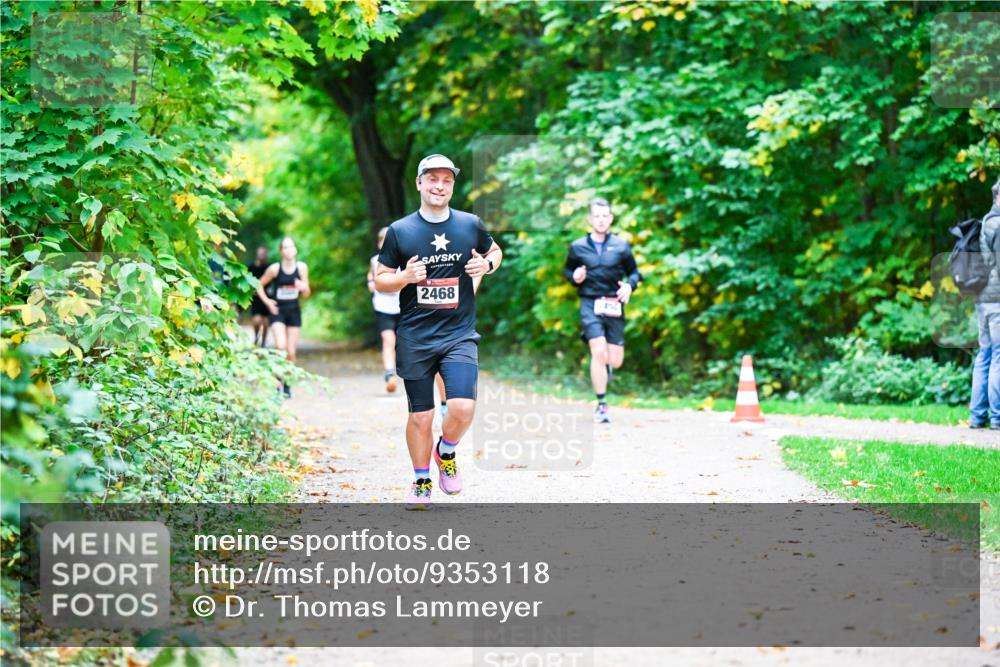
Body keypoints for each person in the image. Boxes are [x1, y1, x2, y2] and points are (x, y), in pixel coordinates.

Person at [373, 154, 502, 510]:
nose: (439, 186)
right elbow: (380, 280)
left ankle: (445, 451)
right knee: (421, 415)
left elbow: (495, 251)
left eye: (446, 180)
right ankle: (421, 479)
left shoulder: (469, 224)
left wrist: (486, 265)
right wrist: (404, 278)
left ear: (452, 186)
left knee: (461, 407)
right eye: (432, 179)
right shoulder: (401, 231)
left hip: (458, 333)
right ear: (419, 183)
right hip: (415, 336)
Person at [563, 197, 641, 424]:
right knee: (598, 351)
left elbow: (635, 273)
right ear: (590, 219)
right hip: (590, 303)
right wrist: (575, 277)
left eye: (604, 216)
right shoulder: (578, 246)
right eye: (596, 216)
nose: (600, 220)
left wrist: (629, 285)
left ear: (610, 218)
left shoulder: (621, 246)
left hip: (614, 303)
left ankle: (607, 365)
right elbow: (568, 272)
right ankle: (602, 405)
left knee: (614, 360)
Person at [257, 237, 311, 398]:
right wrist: (267, 302)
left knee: (291, 352)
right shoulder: (274, 269)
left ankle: (287, 383)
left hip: (294, 310)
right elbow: (258, 284)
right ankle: (277, 382)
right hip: (278, 311)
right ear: (281, 251)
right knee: (281, 346)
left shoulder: (301, 268)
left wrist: (304, 287)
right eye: (285, 247)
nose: (289, 250)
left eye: (291, 247)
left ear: (295, 249)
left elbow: (307, 294)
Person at [971, 178, 1000, 430]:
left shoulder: (986, 221)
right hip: (997, 300)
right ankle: (998, 417)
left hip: (983, 299)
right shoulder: (999, 225)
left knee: (985, 355)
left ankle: (976, 416)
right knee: (998, 357)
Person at [368, 227, 402, 392]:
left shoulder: (405, 258)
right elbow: (371, 278)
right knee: (389, 340)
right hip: (383, 307)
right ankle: (390, 373)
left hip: (403, 307)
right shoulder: (375, 260)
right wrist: (371, 283)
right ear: (379, 243)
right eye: (383, 240)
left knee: (404, 342)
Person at [248, 245, 271, 347]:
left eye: (263, 254)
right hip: (256, 298)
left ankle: (264, 342)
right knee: (256, 320)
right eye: (260, 254)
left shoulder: (269, 268)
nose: (262, 256)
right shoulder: (251, 267)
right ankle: (257, 336)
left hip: (267, 297)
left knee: (266, 321)